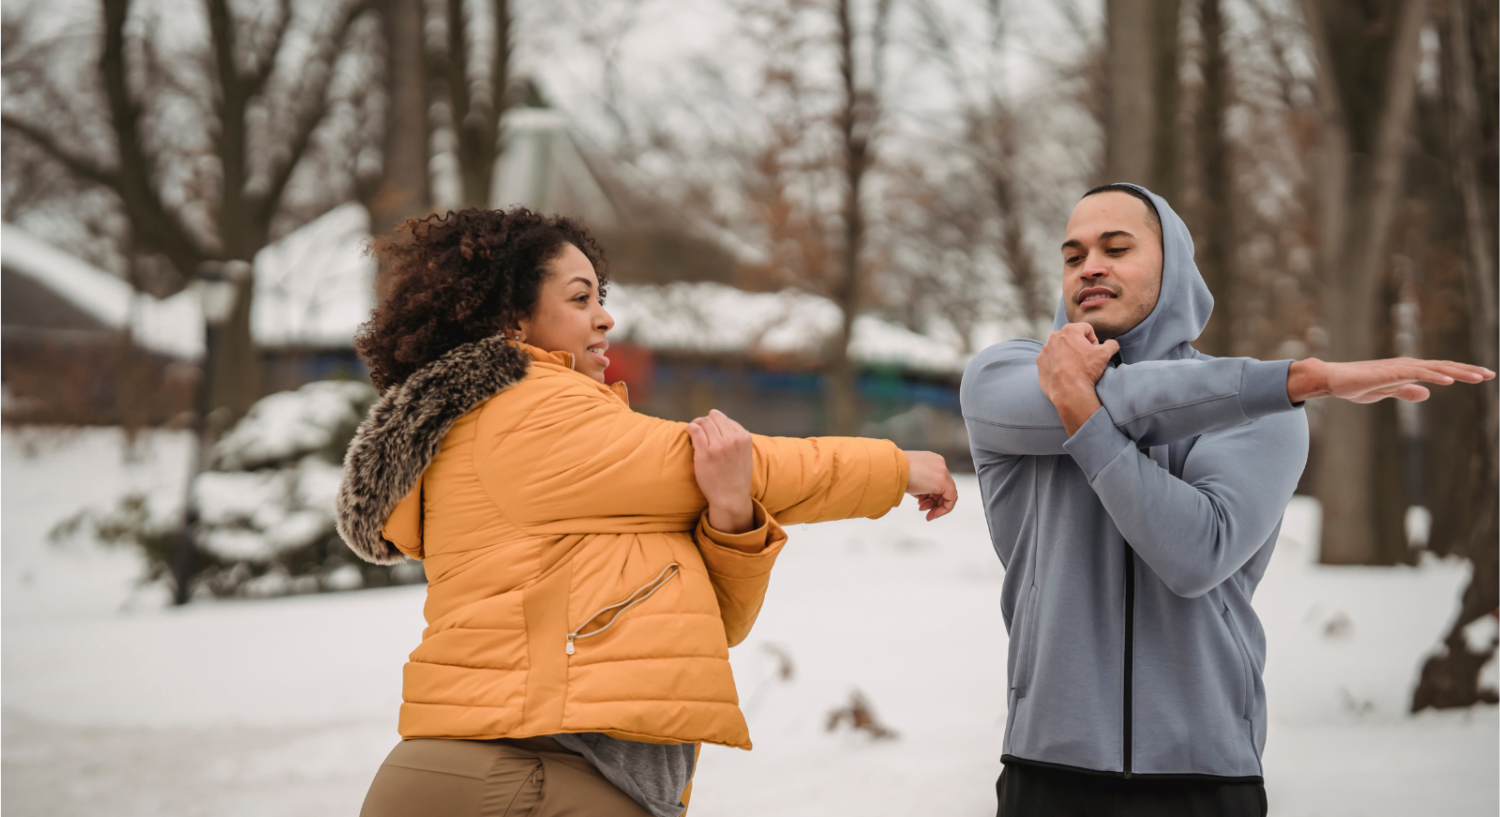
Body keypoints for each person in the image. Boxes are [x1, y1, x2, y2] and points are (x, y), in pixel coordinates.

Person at [336, 207, 958, 817]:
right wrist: (896, 468)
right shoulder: (527, 411)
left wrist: (733, 515)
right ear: (511, 321)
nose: (605, 318)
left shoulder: (534, 442)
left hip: (517, 772)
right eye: (580, 300)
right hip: (527, 776)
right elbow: (731, 459)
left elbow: (709, 627)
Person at [961, 183, 1493, 817]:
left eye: (1117, 247)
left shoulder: (1260, 412)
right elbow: (1125, 398)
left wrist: (1083, 414)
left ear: (1175, 265)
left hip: (1203, 774)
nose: (1090, 267)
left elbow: (1194, 555)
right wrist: (1298, 379)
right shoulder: (1006, 378)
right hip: (1045, 768)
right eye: (1073, 256)